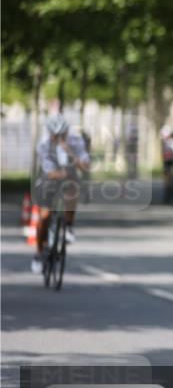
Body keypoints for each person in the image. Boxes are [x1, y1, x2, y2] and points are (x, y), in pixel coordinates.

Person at [32, 114, 90, 273]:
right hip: (49, 177)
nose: (57, 138)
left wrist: (70, 152)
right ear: (49, 133)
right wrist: (64, 172)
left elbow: (85, 166)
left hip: (68, 176)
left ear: (66, 132)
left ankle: (69, 226)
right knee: (44, 216)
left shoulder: (76, 140)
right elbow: (50, 172)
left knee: (72, 189)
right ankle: (38, 252)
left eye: (61, 135)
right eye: (54, 135)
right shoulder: (43, 144)